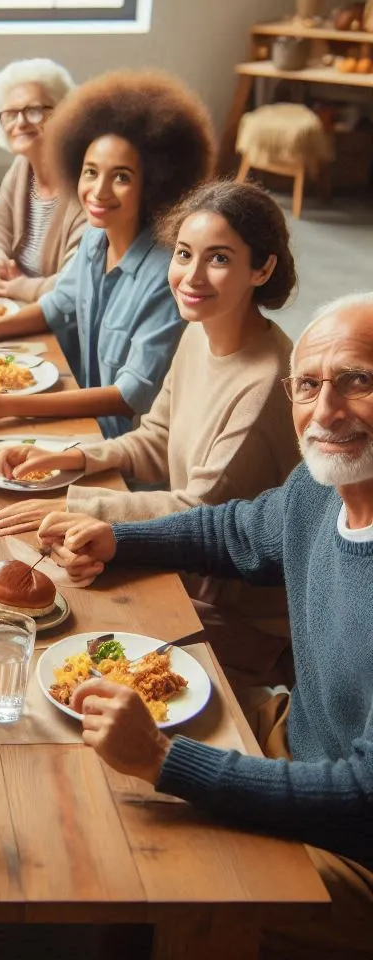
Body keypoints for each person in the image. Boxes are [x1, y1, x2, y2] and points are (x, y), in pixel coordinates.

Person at [36, 292, 373, 955]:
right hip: (297, 742)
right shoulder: (321, 488)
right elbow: (235, 529)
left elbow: (361, 796)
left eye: (359, 381)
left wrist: (163, 759)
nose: (327, 411)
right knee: (89, 757)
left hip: (358, 844)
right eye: (309, 386)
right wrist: (121, 539)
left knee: (195, 885)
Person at [0, 181, 300, 684]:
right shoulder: (200, 329)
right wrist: (70, 457)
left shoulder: (265, 382)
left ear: (261, 269)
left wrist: (79, 507)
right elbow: (156, 436)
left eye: (218, 259)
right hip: (181, 565)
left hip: (230, 612)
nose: (191, 276)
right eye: (183, 254)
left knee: (42, 648)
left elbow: (200, 513)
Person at [0, 69, 215, 438]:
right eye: (90, 172)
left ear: (154, 182)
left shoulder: (167, 274)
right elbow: (59, 304)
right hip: (80, 423)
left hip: (128, 455)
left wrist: (5, 406)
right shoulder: (95, 238)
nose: (98, 191)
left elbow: (127, 397)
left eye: (121, 177)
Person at [0, 59, 86, 303]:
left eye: (34, 110)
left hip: (61, 323)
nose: (21, 122)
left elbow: (78, 282)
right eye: (11, 114)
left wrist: (24, 287)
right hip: (17, 306)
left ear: (64, 113)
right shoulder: (22, 168)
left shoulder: (86, 183)